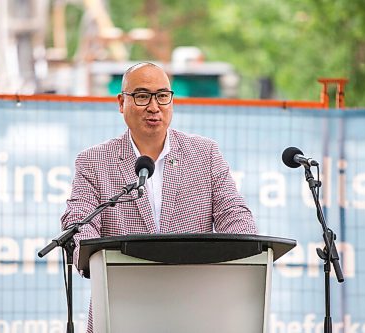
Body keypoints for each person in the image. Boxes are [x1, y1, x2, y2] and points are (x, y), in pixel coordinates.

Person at [60, 62, 257, 331]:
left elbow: (234, 214)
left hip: (195, 306)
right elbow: (80, 221)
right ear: (121, 102)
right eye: (142, 96)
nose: (154, 106)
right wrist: (85, 249)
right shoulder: (93, 161)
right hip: (120, 307)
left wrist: (242, 252)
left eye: (163, 96)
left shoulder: (205, 154)